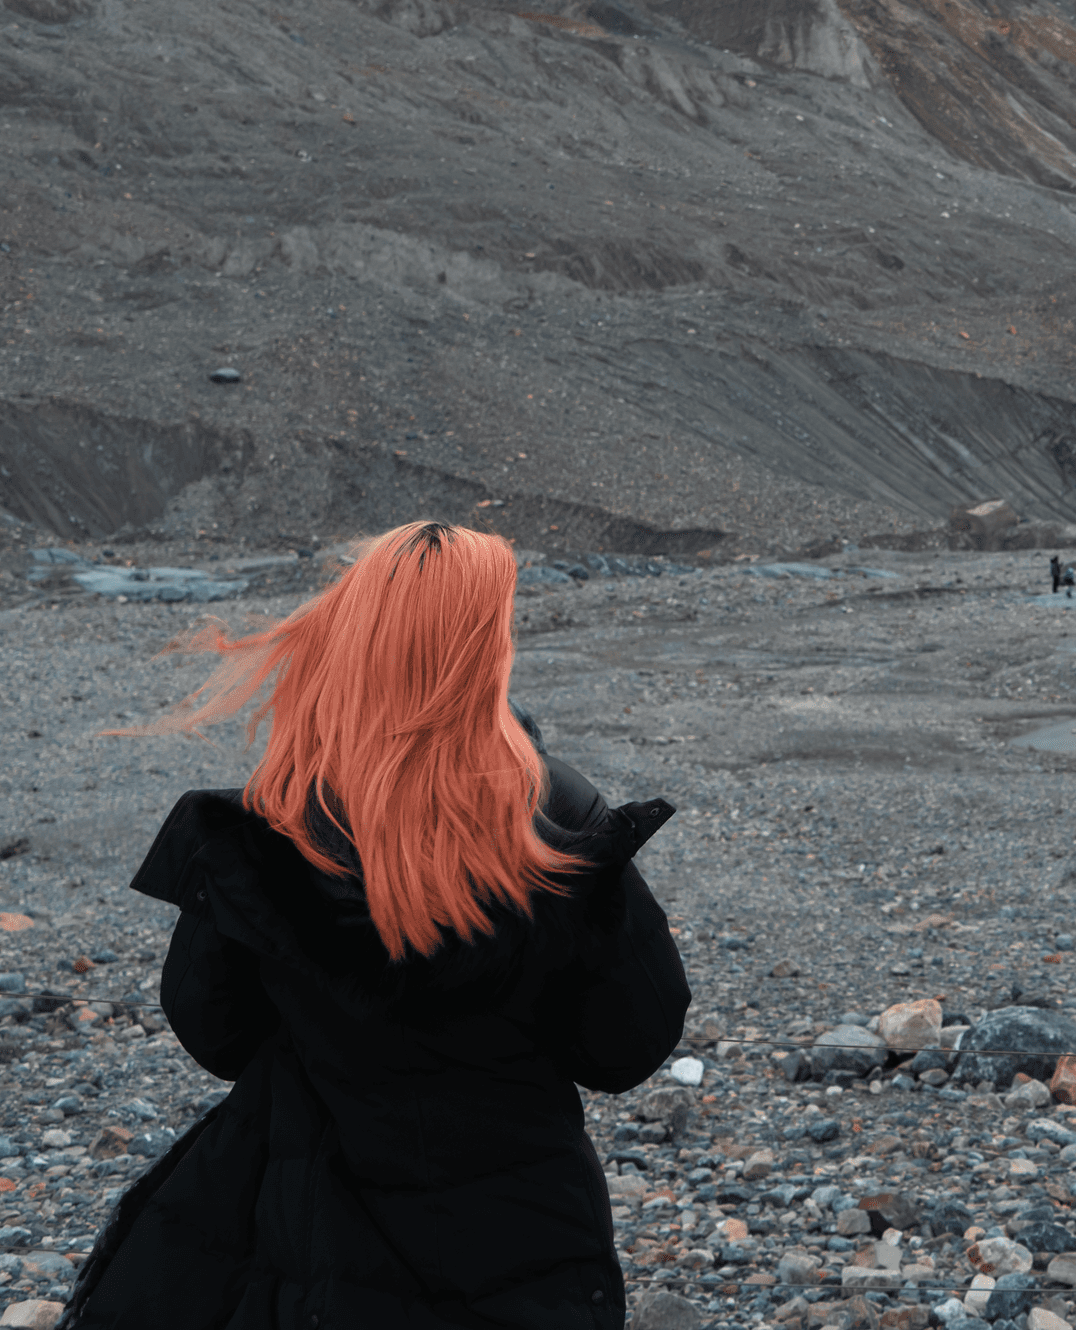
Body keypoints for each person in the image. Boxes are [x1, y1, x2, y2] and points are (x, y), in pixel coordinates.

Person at [66, 520, 690, 1330]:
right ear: (480, 648)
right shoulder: (558, 815)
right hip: (523, 1241)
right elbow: (626, 1046)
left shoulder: (276, 819)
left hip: (317, 1238)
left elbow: (213, 1032)